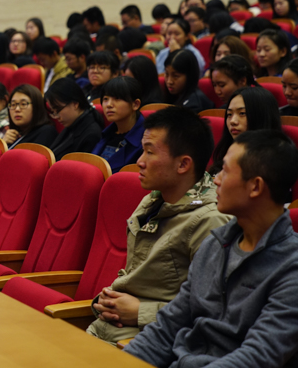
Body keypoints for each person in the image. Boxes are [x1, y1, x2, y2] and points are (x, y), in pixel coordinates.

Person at [124, 130, 298, 367]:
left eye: (225, 171)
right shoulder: (215, 244)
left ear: (255, 186)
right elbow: (167, 328)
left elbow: (258, 356)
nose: (215, 179)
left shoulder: (291, 267)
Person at [87, 107, 230, 346]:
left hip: (148, 342)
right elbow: (137, 278)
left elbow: (214, 311)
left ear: (183, 164)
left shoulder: (210, 221)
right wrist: (107, 302)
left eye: (149, 152)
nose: (139, 161)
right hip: (108, 329)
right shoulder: (154, 199)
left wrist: (141, 312)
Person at [210, 87, 281, 174]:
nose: (233, 121)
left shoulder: (273, 163)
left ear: (262, 117)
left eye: (242, 113)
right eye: (229, 114)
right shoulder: (228, 152)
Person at [91, 77, 145, 173]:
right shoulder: (106, 134)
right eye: (105, 99)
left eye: (117, 98)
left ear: (135, 104)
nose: (109, 105)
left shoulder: (145, 140)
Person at [45, 78, 103, 160]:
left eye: (58, 110)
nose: (56, 116)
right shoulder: (73, 124)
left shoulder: (91, 134)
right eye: (53, 112)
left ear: (75, 104)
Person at [3, 84, 57, 149]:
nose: (17, 109)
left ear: (36, 106)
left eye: (23, 104)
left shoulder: (46, 132)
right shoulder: (13, 134)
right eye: (13, 105)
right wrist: (3, 143)